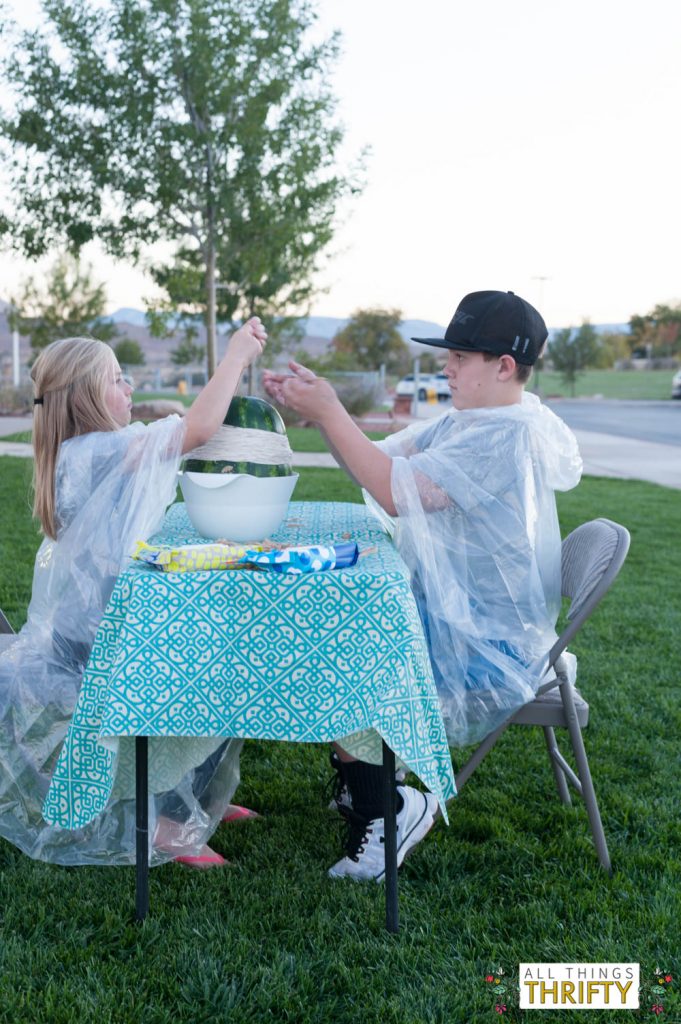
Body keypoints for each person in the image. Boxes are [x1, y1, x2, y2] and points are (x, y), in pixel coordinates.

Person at [263, 289, 583, 881]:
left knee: (349, 653)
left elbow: (394, 490)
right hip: (461, 620)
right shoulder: (475, 422)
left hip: (491, 648)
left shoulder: (502, 438)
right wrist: (321, 413)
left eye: (460, 357)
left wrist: (332, 411)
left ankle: (395, 807)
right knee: (342, 631)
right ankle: (371, 782)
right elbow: (383, 461)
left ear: (503, 366)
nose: (446, 367)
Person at [0, 318, 267, 867]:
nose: (130, 390)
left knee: (212, 647)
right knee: (214, 666)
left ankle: (196, 796)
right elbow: (195, 428)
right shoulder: (96, 451)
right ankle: (170, 820)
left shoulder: (80, 452)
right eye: (117, 379)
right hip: (100, 641)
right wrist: (237, 356)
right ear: (84, 397)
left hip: (84, 630)